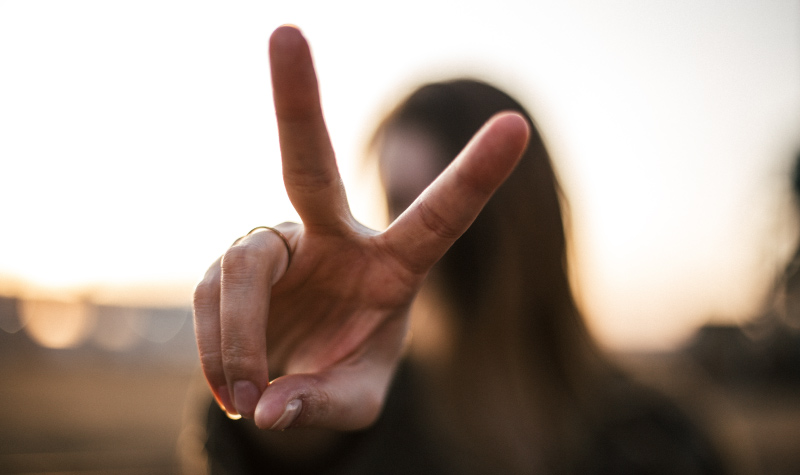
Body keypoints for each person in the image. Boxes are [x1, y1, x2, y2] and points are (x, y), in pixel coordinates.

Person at [192, 25, 729, 474]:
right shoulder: (370, 420)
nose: (415, 237)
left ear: (527, 214)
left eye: (453, 202)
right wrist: (287, 405)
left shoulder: (662, 440)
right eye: (397, 203)